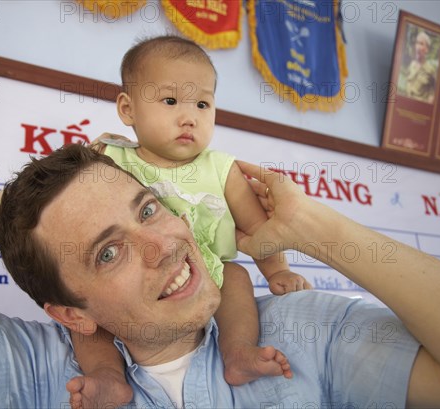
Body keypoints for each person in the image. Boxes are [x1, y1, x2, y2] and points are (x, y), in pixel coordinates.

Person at [0, 144, 440, 409]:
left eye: (147, 209)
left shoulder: (307, 330)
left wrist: (319, 229)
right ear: (72, 314)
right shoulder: (44, 375)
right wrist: (22, 204)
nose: (165, 246)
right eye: (108, 253)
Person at [72, 35, 310, 406]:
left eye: (202, 103)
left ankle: (238, 353)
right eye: (170, 101)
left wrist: (277, 270)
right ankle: (107, 375)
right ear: (127, 109)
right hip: (131, 281)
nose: (189, 117)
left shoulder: (222, 170)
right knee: (90, 312)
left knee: (235, 276)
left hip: (205, 276)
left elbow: (258, 227)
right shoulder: (110, 157)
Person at [402, 30, 437, 103]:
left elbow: (434, 93)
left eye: (421, 44)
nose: (418, 46)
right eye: (417, 43)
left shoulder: (430, 70)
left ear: (426, 49)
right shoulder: (411, 65)